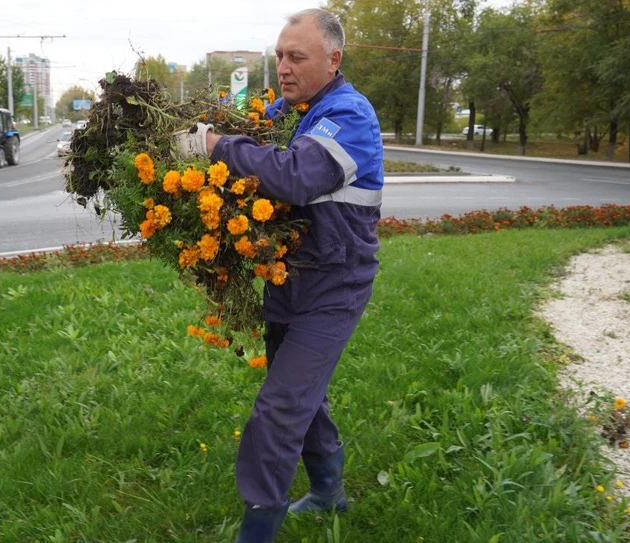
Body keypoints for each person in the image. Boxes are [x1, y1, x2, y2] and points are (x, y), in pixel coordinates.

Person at [176, 8, 383, 542]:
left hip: (336, 285)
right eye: (280, 57)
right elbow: (255, 153)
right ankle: (329, 492)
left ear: (333, 60)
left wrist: (215, 146)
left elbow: (295, 177)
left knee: (279, 409)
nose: (284, 68)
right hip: (290, 278)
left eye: (297, 57)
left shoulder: (349, 115)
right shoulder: (290, 110)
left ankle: (257, 532)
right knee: (297, 393)